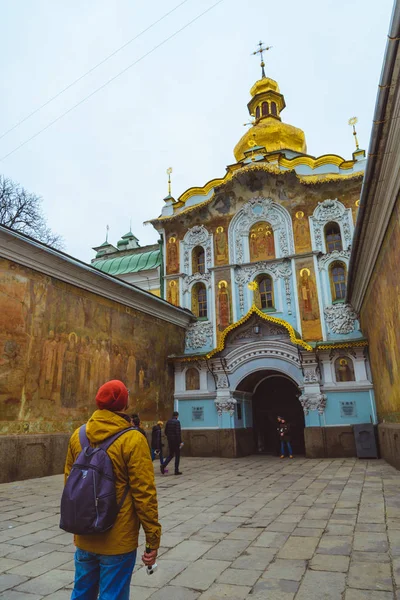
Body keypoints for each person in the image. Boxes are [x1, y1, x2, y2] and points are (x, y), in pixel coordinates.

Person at [65, 379, 161, 600]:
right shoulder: (133, 439)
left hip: (85, 535)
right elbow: (144, 494)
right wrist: (152, 540)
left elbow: (70, 485)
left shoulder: (78, 436)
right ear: (124, 405)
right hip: (118, 539)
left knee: (81, 593)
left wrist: (77, 527)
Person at [161, 411, 183, 475]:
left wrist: (169, 437)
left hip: (170, 441)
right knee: (177, 455)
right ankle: (176, 470)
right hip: (176, 441)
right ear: (177, 416)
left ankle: (163, 465)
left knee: (171, 455)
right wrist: (180, 442)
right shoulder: (177, 422)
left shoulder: (168, 421)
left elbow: (165, 431)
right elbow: (178, 433)